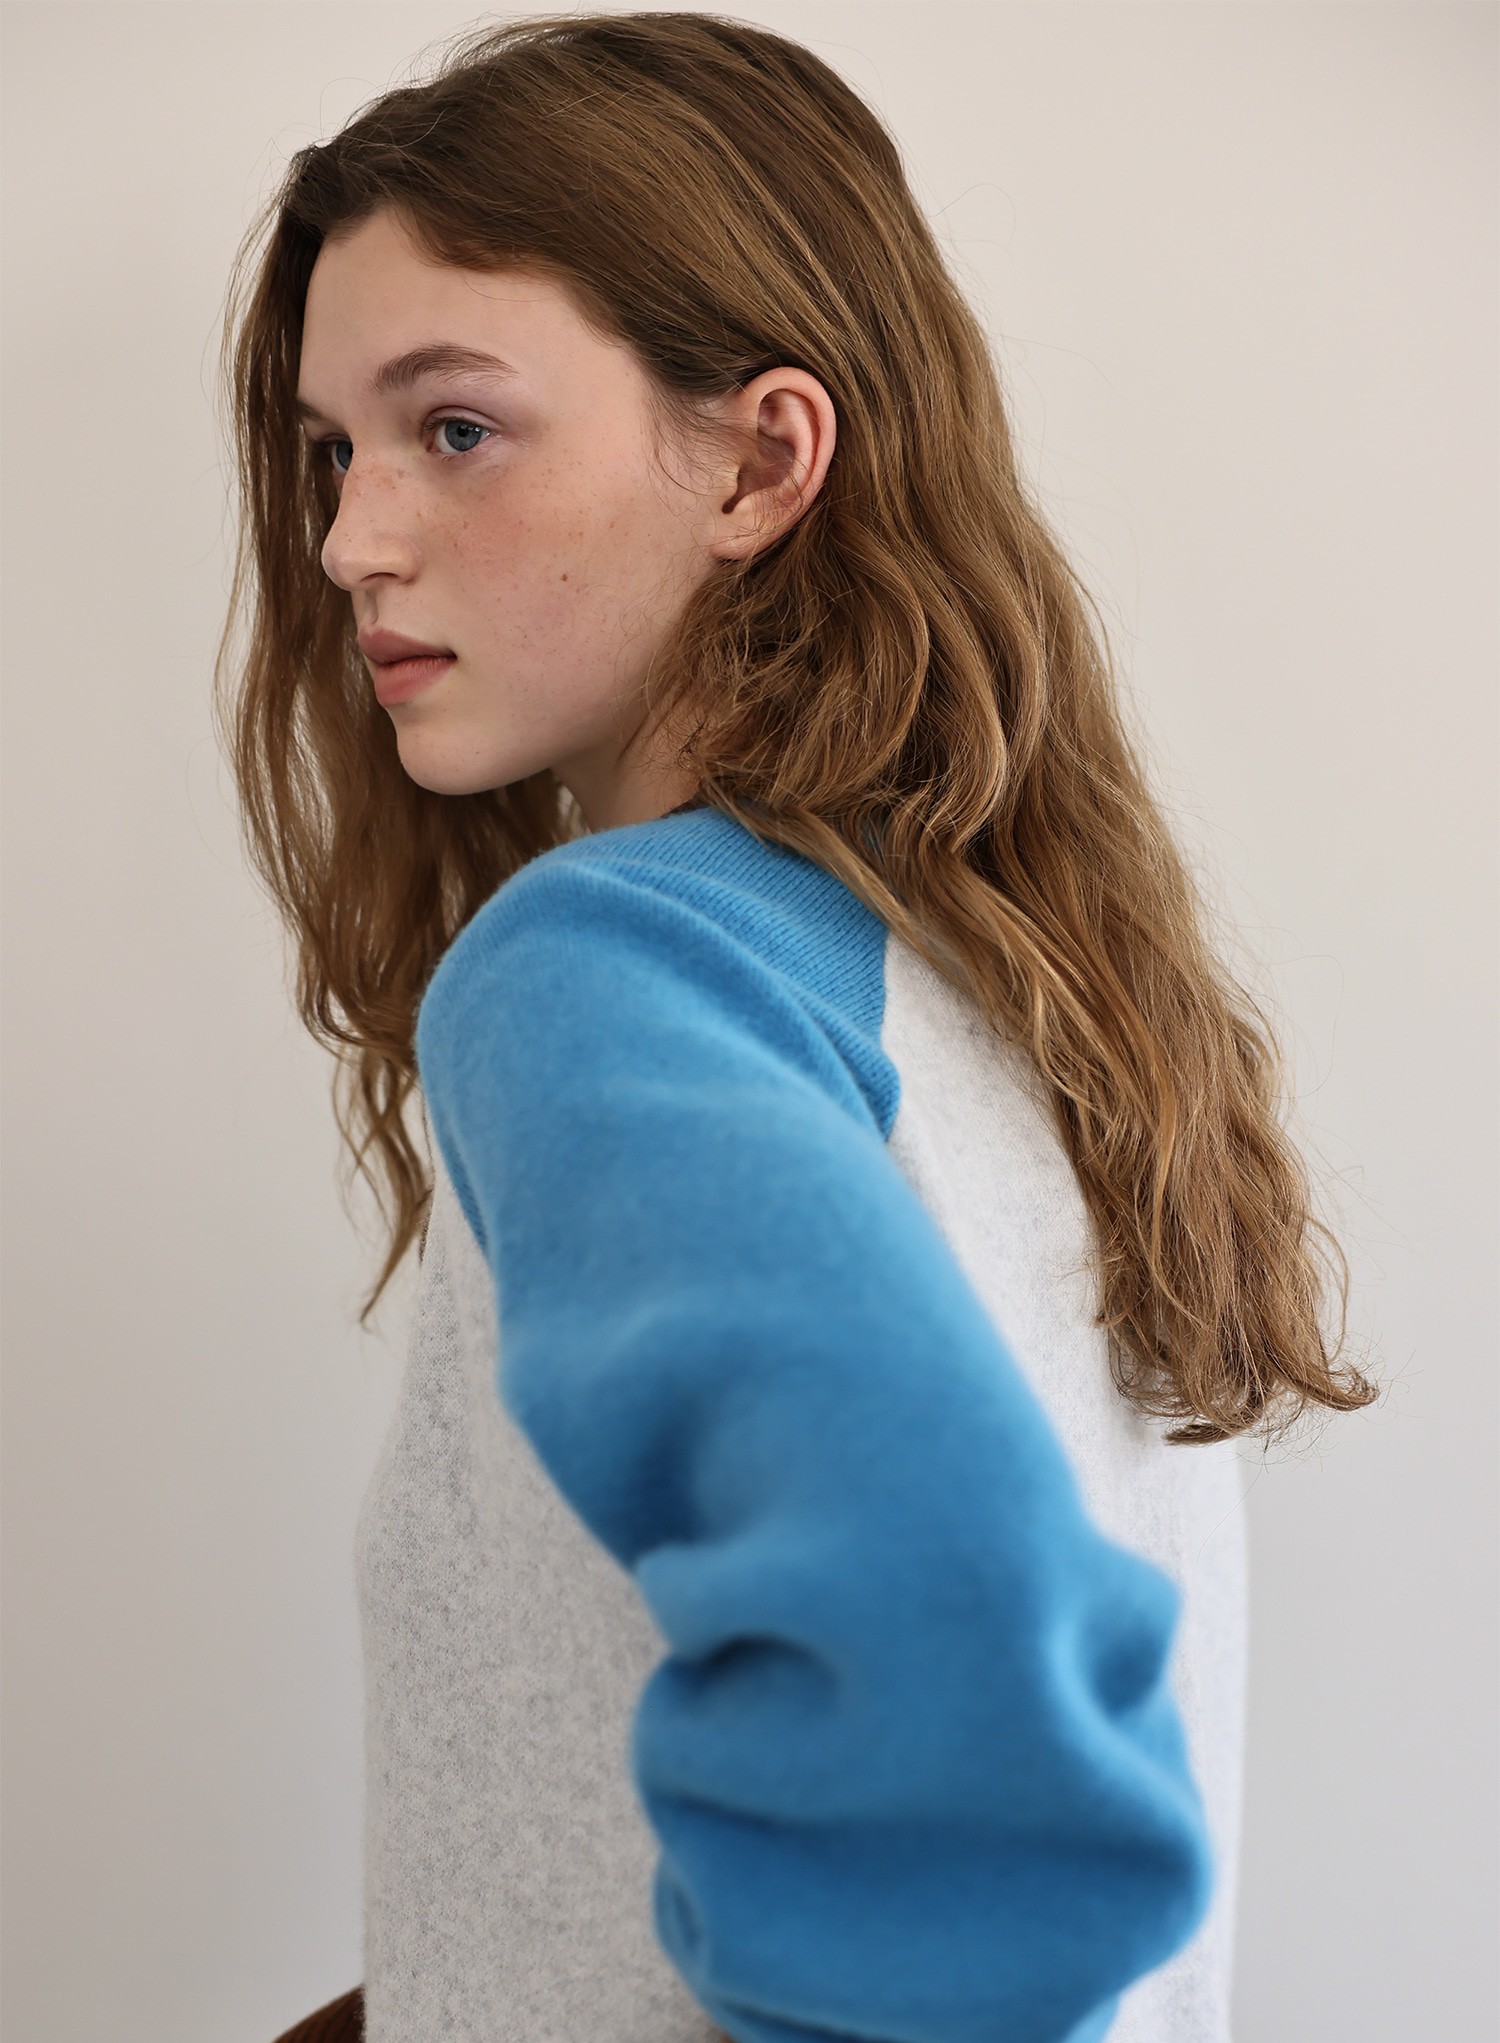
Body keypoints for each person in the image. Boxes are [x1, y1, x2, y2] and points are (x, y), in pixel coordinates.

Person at [218, 13, 1378, 2042]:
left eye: (454, 428)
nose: (350, 540)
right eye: (334, 451)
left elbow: (966, 1755)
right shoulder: (1022, 1001)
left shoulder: (605, 971)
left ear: (760, 461)